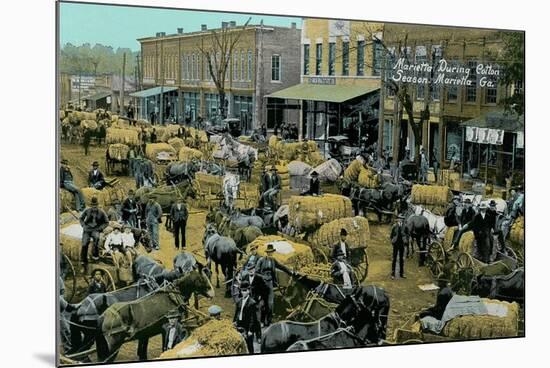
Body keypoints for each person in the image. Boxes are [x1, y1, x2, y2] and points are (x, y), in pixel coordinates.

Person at [80, 197, 109, 266]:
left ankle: (95, 256)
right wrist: (83, 225)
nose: (94, 207)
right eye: (93, 206)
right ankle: (83, 260)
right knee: (84, 243)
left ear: (97, 205)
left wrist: (100, 228)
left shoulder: (101, 212)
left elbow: (106, 222)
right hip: (87, 229)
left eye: (95, 206)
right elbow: (81, 218)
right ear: (91, 205)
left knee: (96, 238)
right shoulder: (87, 210)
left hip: (96, 229)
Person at [233, 281, 261, 354]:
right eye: (242, 291)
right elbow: (236, 314)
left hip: (247, 326)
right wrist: (234, 322)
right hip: (239, 325)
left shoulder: (252, 303)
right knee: (239, 344)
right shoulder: (239, 301)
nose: (243, 293)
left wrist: (250, 330)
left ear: (248, 291)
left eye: (245, 291)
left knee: (249, 345)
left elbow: (253, 318)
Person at [255, 243, 278, 326]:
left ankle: (268, 321)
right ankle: (261, 321)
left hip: (270, 283)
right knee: (263, 303)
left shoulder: (273, 260)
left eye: (271, 252)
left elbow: (282, 267)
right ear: (266, 252)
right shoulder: (261, 260)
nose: (270, 253)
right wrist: (263, 277)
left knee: (270, 304)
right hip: (262, 283)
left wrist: (292, 272)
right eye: (269, 252)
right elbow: (256, 272)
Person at [390, 214, 407, 279]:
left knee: (401, 259)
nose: (400, 220)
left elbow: (407, 234)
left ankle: (402, 273)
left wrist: (406, 240)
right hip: (396, 244)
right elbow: (391, 235)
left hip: (402, 244)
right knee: (394, 259)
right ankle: (393, 274)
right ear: (397, 219)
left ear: (403, 220)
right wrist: (392, 241)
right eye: (399, 218)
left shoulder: (405, 226)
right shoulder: (394, 226)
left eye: (402, 219)